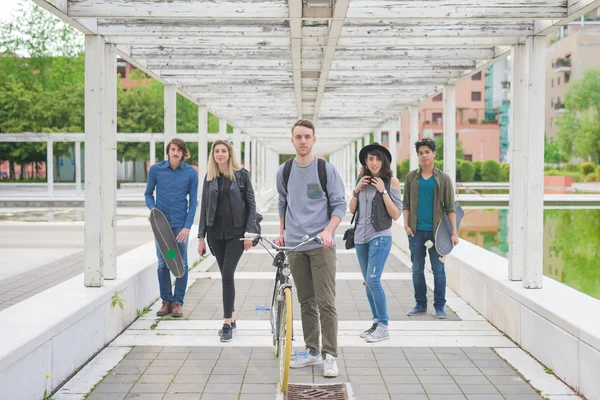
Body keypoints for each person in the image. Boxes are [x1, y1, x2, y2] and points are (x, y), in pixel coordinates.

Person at [275, 119, 347, 378]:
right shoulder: (283, 171)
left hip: (321, 245)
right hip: (295, 245)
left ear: (314, 140)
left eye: (307, 137)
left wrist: (329, 230)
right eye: (298, 137)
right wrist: (282, 232)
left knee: (326, 301)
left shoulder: (325, 169)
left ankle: (330, 355)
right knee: (306, 301)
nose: (302, 141)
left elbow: (340, 206)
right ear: (292, 140)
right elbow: (283, 203)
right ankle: (313, 351)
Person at [197, 139, 256, 342]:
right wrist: (200, 238)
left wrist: (249, 233)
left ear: (230, 154)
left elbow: (251, 205)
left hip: (236, 233)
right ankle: (232, 316)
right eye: (216, 151)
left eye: (223, 151)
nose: (220, 154)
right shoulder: (209, 178)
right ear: (213, 155)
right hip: (215, 235)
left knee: (228, 275)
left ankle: (226, 322)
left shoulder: (242, 175)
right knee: (225, 277)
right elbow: (204, 209)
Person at [350, 142, 402, 342]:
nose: (374, 162)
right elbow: (351, 209)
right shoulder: (362, 180)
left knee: (373, 280)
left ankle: (384, 325)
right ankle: (375, 322)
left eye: (377, 158)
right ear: (365, 161)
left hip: (380, 236)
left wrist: (383, 191)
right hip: (360, 238)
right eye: (370, 159)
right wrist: (356, 189)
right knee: (367, 283)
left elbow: (396, 214)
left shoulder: (391, 181)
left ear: (384, 161)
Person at [403, 138, 458, 319]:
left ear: (434, 153)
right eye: (421, 153)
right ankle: (420, 304)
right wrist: (406, 225)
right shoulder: (412, 177)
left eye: (427, 152)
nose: (424, 156)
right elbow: (406, 204)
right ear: (418, 156)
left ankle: (440, 306)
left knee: (438, 270)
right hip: (416, 231)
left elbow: (450, 207)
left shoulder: (443, 178)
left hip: (438, 232)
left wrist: (454, 233)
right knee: (417, 268)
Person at [145, 138, 198, 318]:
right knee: (163, 263)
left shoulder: (190, 173)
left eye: (179, 150)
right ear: (168, 151)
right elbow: (148, 193)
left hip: (179, 227)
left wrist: (187, 227)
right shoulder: (156, 170)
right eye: (173, 149)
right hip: (161, 226)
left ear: (183, 153)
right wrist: (153, 210)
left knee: (180, 263)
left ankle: (178, 303)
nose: (175, 153)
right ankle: (166, 301)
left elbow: (193, 202)